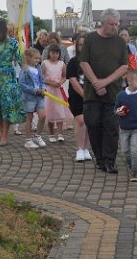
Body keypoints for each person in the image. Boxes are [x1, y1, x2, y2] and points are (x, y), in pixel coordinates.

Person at [80, 9, 129, 174]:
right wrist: (95, 83)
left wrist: (105, 82)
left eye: (116, 24)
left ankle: (109, 161)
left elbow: (124, 66)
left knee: (111, 127)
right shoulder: (90, 39)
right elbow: (84, 62)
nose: (114, 27)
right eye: (111, 24)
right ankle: (99, 159)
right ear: (102, 23)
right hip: (91, 93)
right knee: (93, 124)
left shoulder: (120, 42)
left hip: (113, 92)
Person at [0, 20, 25, 146]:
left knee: (6, 107)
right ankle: (1, 130)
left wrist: (29, 72)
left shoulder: (13, 43)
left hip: (8, 78)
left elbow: (20, 59)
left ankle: (4, 135)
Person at [114, 69, 137, 182]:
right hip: (124, 129)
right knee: (125, 151)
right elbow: (115, 108)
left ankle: (135, 172)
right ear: (129, 81)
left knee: (134, 150)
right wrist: (117, 112)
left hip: (136, 129)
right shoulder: (120, 96)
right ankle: (132, 166)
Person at [67, 34, 93, 162]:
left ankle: (86, 148)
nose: (83, 47)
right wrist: (84, 94)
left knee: (89, 122)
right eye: (80, 44)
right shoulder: (73, 62)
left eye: (85, 44)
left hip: (91, 96)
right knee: (80, 120)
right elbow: (73, 80)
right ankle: (79, 148)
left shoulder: (94, 62)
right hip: (76, 96)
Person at [41, 43, 72, 142]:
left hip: (58, 91)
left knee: (60, 112)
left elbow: (64, 76)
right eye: (53, 53)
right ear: (48, 53)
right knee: (50, 112)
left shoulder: (61, 64)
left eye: (57, 53)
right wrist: (50, 82)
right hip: (49, 91)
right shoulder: (45, 63)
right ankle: (51, 134)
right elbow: (41, 78)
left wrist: (60, 82)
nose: (55, 55)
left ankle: (60, 134)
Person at [20, 47, 47, 149]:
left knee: (43, 116)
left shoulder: (38, 68)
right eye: (35, 58)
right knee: (29, 118)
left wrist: (43, 88)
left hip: (39, 97)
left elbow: (42, 81)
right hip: (29, 98)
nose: (38, 60)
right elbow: (22, 84)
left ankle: (37, 136)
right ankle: (27, 140)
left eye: (39, 58)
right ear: (29, 58)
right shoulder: (25, 69)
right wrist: (35, 90)